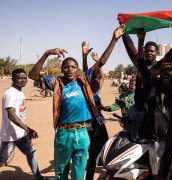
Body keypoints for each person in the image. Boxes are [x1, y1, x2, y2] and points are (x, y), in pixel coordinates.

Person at [28, 25, 124, 180]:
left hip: (82, 132)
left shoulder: (84, 80)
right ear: (62, 70)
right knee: (61, 171)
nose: (70, 69)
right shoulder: (57, 83)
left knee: (79, 173)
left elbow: (103, 61)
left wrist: (114, 39)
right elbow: (33, 75)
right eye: (66, 67)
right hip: (63, 133)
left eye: (73, 67)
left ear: (78, 69)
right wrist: (47, 53)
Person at [0, 68, 46, 180]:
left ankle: (38, 177)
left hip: (22, 134)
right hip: (10, 136)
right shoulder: (10, 93)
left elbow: (19, 115)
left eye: (25, 78)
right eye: (20, 78)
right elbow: (11, 115)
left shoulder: (20, 93)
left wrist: (26, 130)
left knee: (31, 154)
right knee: (2, 161)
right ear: (13, 79)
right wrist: (28, 129)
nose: (23, 80)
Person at [81, 41, 109, 180]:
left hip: (99, 125)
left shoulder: (98, 92)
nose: (96, 81)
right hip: (89, 126)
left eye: (96, 81)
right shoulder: (87, 93)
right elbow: (87, 74)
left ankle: (102, 166)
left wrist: (98, 63)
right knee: (92, 154)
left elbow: (102, 77)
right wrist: (84, 56)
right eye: (93, 81)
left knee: (106, 145)